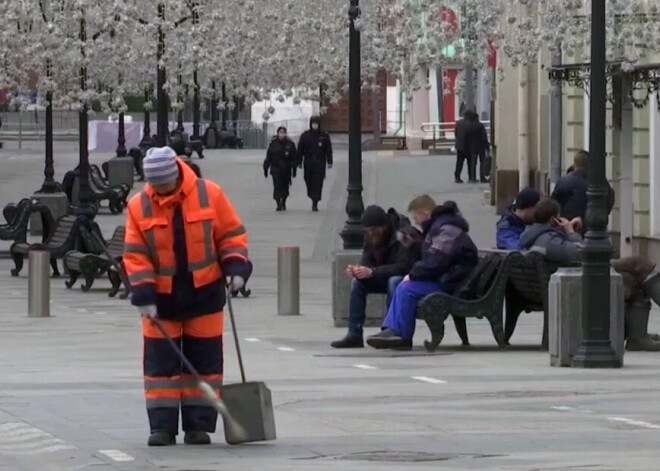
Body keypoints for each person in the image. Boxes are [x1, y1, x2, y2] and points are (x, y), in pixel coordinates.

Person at [123, 147, 251, 447]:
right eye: (154, 185)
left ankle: (199, 426)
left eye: (164, 184)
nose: (160, 190)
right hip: (161, 301)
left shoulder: (210, 194)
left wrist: (236, 268)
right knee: (160, 367)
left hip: (205, 295)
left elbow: (231, 235)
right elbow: (135, 254)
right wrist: (142, 293)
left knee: (204, 364)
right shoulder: (139, 205)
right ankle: (162, 427)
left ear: (176, 175)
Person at [520, 198, 660, 351]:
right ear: (554, 219)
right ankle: (638, 338)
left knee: (634, 279)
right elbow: (587, 254)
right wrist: (571, 232)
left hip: (578, 275)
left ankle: (638, 338)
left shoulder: (539, 236)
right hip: (581, 279)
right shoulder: (547, 240)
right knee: (638, 263)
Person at [367, 196, 479, 350]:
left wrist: (413, 274)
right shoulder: (441, 227)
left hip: (452, 283)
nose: (416, 221)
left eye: (416, 217)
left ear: (425, 212)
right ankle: (392, 330)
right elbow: (435, 256)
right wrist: (414, 246)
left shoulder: (446, 229)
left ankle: (401, 335)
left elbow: (436, 262)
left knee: (406, 288)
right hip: (449, 278)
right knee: (403, 286)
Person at [331, 206, 420, 349]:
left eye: (374, 230)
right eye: (368, 231)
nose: (371, 234)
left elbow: (403, 266)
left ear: (384, 226)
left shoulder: (403, 235)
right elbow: (367, 260)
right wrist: (358, 270)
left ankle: (391, 330)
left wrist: (372, 272)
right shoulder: (371, 236)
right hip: (382, 274)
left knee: (394, 281)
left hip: (406, 279)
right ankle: (354, 333)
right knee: (357, 283)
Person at [551, 149, 615, 223]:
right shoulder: (600, 181)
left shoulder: (563, 181)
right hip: (594, 223)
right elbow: (609, 199)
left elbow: (554, 203)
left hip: (570, 224)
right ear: (590, 164)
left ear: (574, 164)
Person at [297, 116, 333, 211]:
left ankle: (315, 201)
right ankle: (311, 195)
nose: (315, 125)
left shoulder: (324, 136)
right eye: (313, 123)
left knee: (318, 182)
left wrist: (330, 161)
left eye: (316, 123)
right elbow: (300, 149)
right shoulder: (305, 135)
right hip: (308, 161)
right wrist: (299, 161)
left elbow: (328, 149)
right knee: (308, 180)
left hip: (320, 162)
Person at [264, 126, 297, 211]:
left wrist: (294, 169)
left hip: (286, 169)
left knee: (285, 187)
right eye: (280, 132)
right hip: (276, 169)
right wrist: (266, 168)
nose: (282, 134)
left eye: (283, 132)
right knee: (277, 186)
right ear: (278, 133)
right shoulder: (273, 144)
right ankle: (278, 203)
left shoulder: (290, 144)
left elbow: (294, 158)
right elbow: (268, 157)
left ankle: (284, 201)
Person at [465, 110, 490, 183]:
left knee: (473, 162)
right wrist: (487, 147)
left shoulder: (469, 126)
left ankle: (473, 177)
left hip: (472, 147)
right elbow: (484, 137)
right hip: (481, 146)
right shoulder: (480, 126)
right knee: (482, 162)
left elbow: (466, 137)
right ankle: (482, 177)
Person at [454, 111, 471, 184]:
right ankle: (471, 177)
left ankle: (457, 177)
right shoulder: (470, 124)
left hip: (459, 146)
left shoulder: (459, 123)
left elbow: (456, 133)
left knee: (459, 162)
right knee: (470, 163)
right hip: (468, 146)